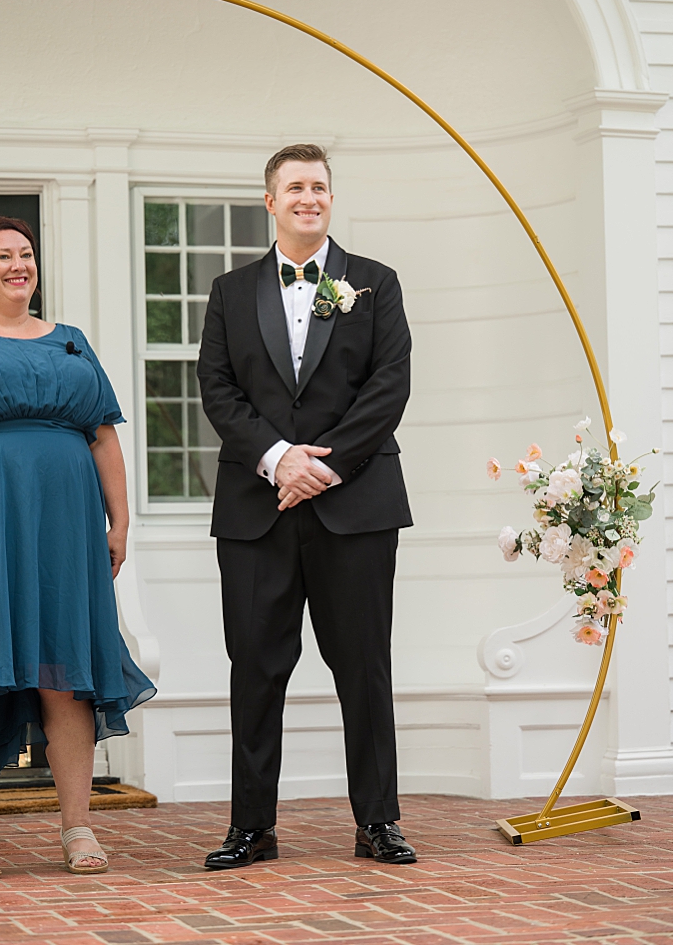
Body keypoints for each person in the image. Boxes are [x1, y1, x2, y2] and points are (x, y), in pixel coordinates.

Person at [196, 144, 417, 869]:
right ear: (271, 200)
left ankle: (378, 823)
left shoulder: (375, 285)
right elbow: (219, 389)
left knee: (364, 666)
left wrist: (320, 469)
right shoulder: (230, 291)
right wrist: (276, 459)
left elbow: (389, 388)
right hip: (256, 509)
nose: (308, 197)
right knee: (255, 667)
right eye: (295, 187)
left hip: (355, 507)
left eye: (319, 186)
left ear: (330, 198)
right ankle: (251, 828)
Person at [0, 214, 155, 880]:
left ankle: (78, 825)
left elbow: (103, 435)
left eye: (26, 255)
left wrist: (120, 521)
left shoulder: (71, 341)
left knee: (67, 674)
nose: (18, 266)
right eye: (3, 257)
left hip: (65, 526)